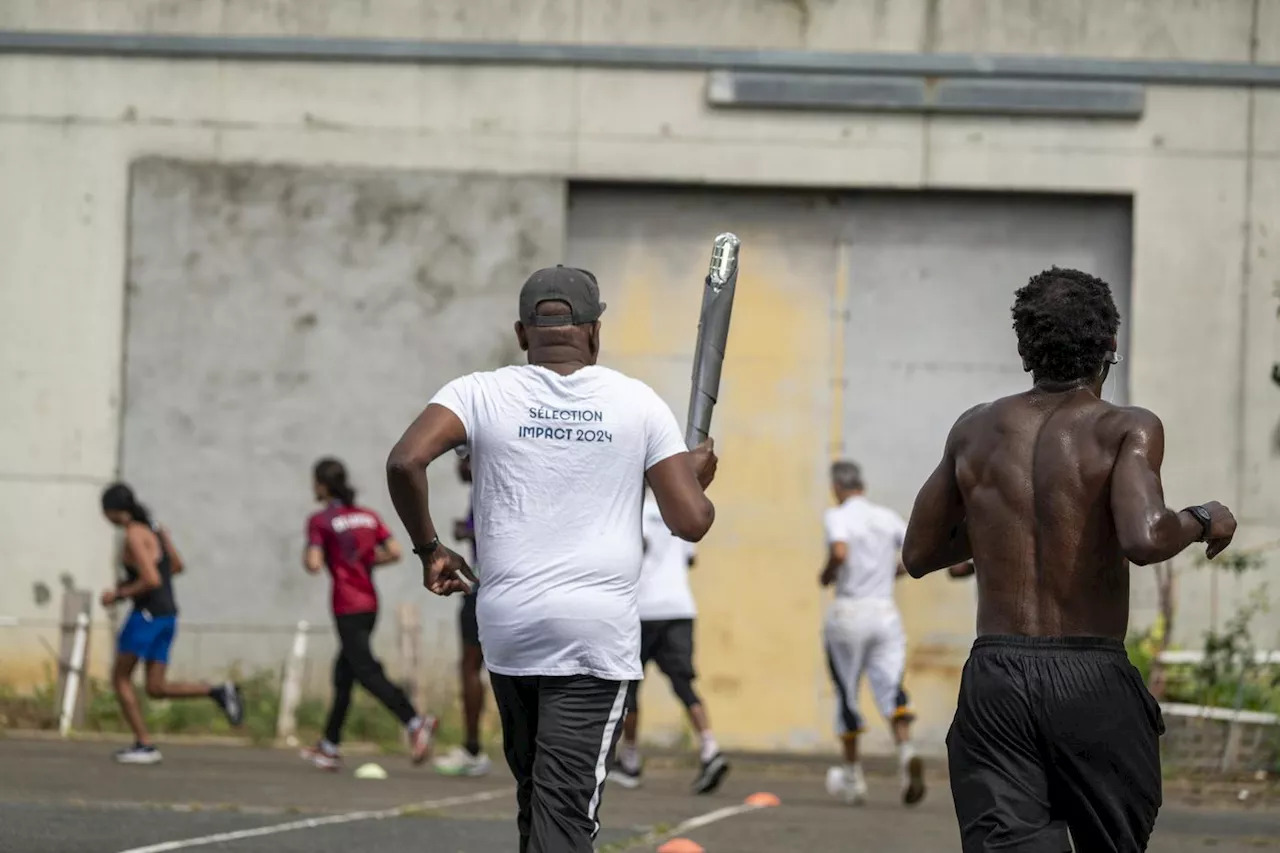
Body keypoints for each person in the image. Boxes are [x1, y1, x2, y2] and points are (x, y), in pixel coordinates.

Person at [902, 267, 1237, 853]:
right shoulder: (1126, 427)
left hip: (997, 676)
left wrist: (997, 524)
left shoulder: (974, 428)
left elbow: (920, 552)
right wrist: (1205, 517)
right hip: (1090, 677)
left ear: (1024, 346)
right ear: (1109, 346)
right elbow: (1144, 537)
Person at [387, 265, 717, 853]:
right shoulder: (638, 403)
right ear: (594, 332)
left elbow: (405, 461)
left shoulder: (477, 391)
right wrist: (697, 477)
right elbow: (689, 522)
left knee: (538, 801)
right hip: (593, 638)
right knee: (564, 812)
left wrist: (429, 548)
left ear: (522, 333)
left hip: (510, 630)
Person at [301, 458, 437, 771]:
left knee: (365, 671)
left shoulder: (321, 520)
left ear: (322, 485)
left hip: (346, 605)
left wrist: (321, 555)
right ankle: (329, 744)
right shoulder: (367, 517)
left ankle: (415, 721)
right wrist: (364, 563)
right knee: (343, 675)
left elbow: (313, 564)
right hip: (369, 603)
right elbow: (395, 552)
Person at [99, 483, 243, 765]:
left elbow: (151, 579)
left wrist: (119, 593)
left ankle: (144, 744)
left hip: (147, 615)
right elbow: (176, 565)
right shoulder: (155, 529)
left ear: (113, 511)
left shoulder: (134, 536)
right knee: (155, 687)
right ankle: (217, 691)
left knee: (120, 678)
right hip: (168, 614)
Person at [608, 488, 729, 795]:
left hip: (643, 610)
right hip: (679, 607)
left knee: (630, 685)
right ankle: (709, 748)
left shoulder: (632, 513)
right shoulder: (678, 509)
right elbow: (691, 558)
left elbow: (631, 552)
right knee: (684, 683)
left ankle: (631, 761)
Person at [818, 460, 925, 807]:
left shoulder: (838, 516)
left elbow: (839, 550)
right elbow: (916, 552)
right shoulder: (886, 517)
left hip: (849, 611)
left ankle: (853, 779)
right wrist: (893, 572)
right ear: (861, 485)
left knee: (847, 695)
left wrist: (828, 574)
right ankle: (907, 753)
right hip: (885, 613)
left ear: (837, 487)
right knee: (891, 689)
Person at [432, 451, 493, 777]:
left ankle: (472, 748)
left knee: (471, 665)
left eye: (464, 457)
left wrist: (465, 533)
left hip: (487, 585)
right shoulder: (483, 489)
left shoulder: (490, 486)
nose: (459, 466)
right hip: (510, 585)